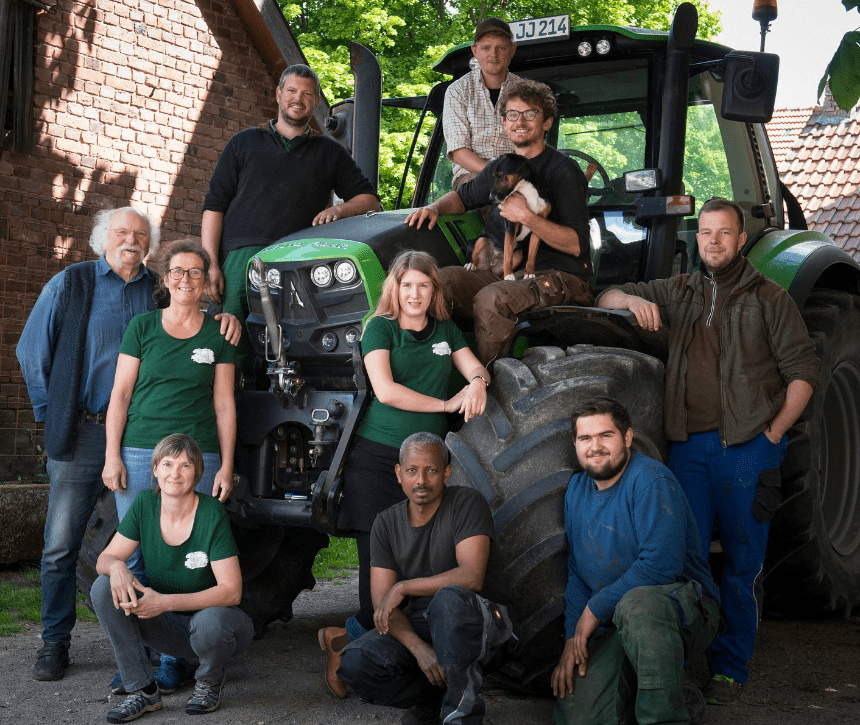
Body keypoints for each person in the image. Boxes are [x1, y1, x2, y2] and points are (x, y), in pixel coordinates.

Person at [596, 198, 820, 705]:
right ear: (695, 239)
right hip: (689, 449)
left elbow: (803, 372)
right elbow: (606, 294)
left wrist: (774, 433)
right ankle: (686, 661)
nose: (713, 242)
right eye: (705, 233)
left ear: (741, 240)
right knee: (685, 558)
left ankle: (729, 666)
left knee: (742, 563)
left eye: (724, 233)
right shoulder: (681, 290)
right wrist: (632, 303)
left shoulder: (770, 298)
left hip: (747, 448)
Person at [16, 207, 238, 681]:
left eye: (141, 234)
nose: (131, 241)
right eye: (122, 232)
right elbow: (32, 351)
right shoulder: (72, 283)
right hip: (82, 430)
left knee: (147, 544)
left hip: (147, 440)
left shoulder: (157, 288)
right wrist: (48, 412)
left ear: (150, 244)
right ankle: (54, 642)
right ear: (103, 238)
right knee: (61, 544)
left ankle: (158, 649)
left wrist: (229, 318)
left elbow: (190, 313)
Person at [318, 251, 490, 699]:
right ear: (394, 288)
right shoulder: (381, 328)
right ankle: (355, 647)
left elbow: (472, 365)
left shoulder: (447, 331)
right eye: (407, 285)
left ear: (434, 291)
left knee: (422, 564)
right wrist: (446, 405)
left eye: (424, 286)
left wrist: (475, 382)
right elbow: (386, 390)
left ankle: (345, 637)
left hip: (427, 466)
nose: (415, 294)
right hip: (377, 461)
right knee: (378, 570)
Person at [102, 239, 238, 694]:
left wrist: (225, 466)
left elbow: (224, 403)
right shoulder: (142, 327)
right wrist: (112, 454)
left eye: (195, 272)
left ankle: (176, 656)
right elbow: (120, 396)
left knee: (185, 556)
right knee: (135, 556)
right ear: (164, 280)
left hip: (199, 455)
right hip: (142, 452)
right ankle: (138, 658)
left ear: (206, 281)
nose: (185, 280)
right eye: (177, 272)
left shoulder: (219, 332)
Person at [552, 397, 721, 725]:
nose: (595, 446)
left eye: (606, 435)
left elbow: (661, 565)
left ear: (627, 438)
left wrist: (591, 613)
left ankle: (665, 719)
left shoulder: (651, 481)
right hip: (618, 617)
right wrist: (573, 636)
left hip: (681, 609)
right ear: (575, 444)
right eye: (585, 438)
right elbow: (577, 570)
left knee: (637, 605)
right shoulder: (577, 489)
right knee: (579, 714)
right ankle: (674, 696)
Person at [201, 63, 380, 369]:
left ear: (316, 100)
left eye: (307, 94)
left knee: (287, 349)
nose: (299, 99)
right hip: (239, 259)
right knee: (229, 345)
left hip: (295, 261)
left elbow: (370, 201)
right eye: (292, 91)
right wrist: (210, 265)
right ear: (279, 94)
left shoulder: (329, 152)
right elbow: (214, 207)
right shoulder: (244, 143)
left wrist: (338, 209)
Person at [406, 77, 593, 366]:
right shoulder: (501, 167)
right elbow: (463, 197)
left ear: (546, 123)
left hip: (561, 276)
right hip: (507, 271)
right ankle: (427, 373)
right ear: (504, 123)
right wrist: (434, 207)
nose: (520, 121)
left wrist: (527, 217)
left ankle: (488, 390)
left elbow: (577, 245)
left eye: (530, 114)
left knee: (492, 299)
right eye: (512, 115)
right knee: (436, 282)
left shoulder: (564, 171)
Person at [337, 432, 514, 725]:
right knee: (356, 664)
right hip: (426, 626)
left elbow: (471, 576)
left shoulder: (466, 502)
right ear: (398, 474)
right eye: (412, 470)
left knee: (448, 600)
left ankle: (465, 718)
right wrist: (419, 650)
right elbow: (384, 606)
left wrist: (404, 586)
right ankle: (436, 701)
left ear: (446, 473)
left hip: (483, 623)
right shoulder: (385, 522)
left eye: (431, 470)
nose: (421, 480)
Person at [91, 433, 254, 723]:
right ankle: (142, 690)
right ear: (154, 469)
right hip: (168, 628)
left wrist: (164, 602)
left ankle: (209, 680)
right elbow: (105, 558)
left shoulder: (211, 512)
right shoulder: (144, 504)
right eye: (167, 464)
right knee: (103, 587)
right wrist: (117, 567)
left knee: (211, 622)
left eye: (185, 466)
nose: (175, 473)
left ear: (197, 473)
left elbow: (232, 592)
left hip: (215, 627)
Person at [443, 17, 518, 190]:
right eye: (486, 48)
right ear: (475, 51)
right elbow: (458, 151)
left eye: (501, 47)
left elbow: (533, 145)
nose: (493, 54)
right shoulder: (457, 91)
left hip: (517, 173)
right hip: (471, 176)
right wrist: (498, 176)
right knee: (491, 190)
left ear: (512, 49)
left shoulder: (526, 91)